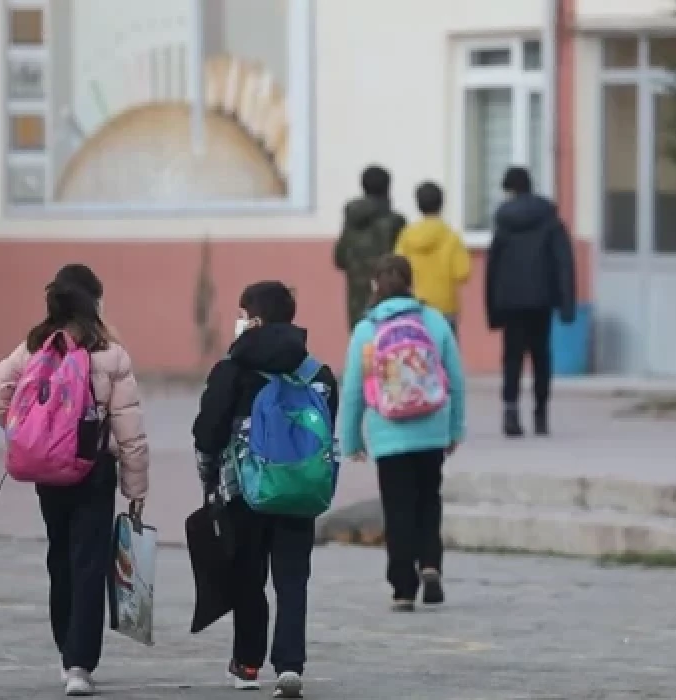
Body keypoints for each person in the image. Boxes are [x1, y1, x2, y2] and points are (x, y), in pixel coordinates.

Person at [0, 263, 149, 697]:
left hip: (49, 472)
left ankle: (65, 652)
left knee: (59, 558)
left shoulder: (36, 345)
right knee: (89, 562)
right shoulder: (109, 351)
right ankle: (80, 663)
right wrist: (136, 489)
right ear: (95, 302)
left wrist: (24, 431)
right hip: (93, 469)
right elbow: (129, 430)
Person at [192, 281, 338, 698]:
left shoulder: (232, 370)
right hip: (301, 491)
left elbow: (209, 430)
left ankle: (248, 662)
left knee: (248, 575)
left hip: (246, 491)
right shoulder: (319, 375)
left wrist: (207, 472)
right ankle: (290, 665)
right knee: (292, 578)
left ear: (254, 319)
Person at [339, 255, 466, 611]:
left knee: (397, 509)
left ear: (374, 285)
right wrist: (455, 428)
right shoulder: (434, 321)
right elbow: (455, 380)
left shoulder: (367, 331)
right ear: (411, 283)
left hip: (389, 434)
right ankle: (430, 565)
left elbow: (354, 388)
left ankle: (403, 588)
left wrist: (350, 438)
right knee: (429, 500)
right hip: (432, 430)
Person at [484, 166, 576, 438]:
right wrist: (566, 303)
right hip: (541, 300)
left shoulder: (503, 224)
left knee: (512, 357)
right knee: (541, 356)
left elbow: (493, 268)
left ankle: (510, 414)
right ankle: (541, 415)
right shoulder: (550, 220)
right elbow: (563, 263)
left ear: (509, 189)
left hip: (510, 301)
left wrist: (492, 308)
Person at [334, 165, 407, 329]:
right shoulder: (396, 221)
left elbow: (339, 258)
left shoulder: (352, 220)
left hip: (356, 300)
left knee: (361, 345)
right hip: (390, 296)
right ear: (388, 188)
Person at [394, 181, 471, 337]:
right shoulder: (451, 236)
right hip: (445, 306)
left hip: (413, 305)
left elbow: (397, 268)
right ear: (442, 204)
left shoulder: (406, 235)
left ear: (418, 205)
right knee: (446, 357)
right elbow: (462, 273)